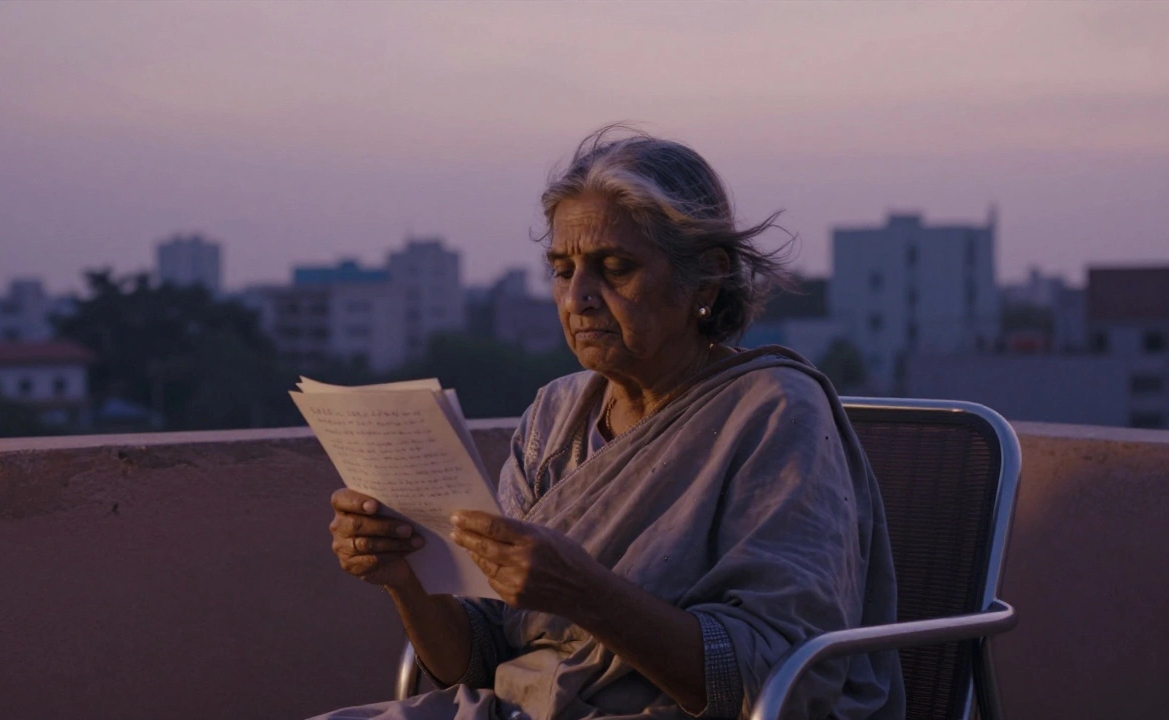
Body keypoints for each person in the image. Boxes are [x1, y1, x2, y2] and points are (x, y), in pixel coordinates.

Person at [320, 127, 904, 720]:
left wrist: (583, 591)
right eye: (562, 269)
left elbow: (778, 683)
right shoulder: (554, 417)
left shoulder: (774, 414)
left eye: (615, 267)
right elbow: (482, 662)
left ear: (706, 276)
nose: (578, 298)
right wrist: (405, 579)